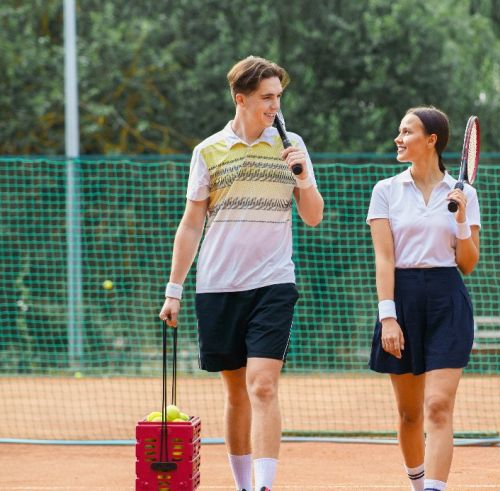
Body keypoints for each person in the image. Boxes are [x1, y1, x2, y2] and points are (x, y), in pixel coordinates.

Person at [158, 56, 324, 491]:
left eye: (279, 98)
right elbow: (192, 223)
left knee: (263, 387)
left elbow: (313, 217)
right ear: (242, 98)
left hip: (273, 283)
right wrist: (173, 291)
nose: (275, 106)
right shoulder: (208, 151)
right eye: (267, 97)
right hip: (218, 287)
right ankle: (244, 486)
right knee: (236, 395)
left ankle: (265, 487)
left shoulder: (293, 147)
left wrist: (303, 177)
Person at [367, 106, 481, 491]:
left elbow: (468, 264)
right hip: (402, 299)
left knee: (437, 406)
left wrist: (462, 220)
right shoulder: (385, 191)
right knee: (409, 413)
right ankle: (418, 485)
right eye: (399, 132)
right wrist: (388, 317)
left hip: (448, 300)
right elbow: (384, 259)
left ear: (431, 140)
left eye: (406, 132)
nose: (398, 139)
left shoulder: (465, 194)